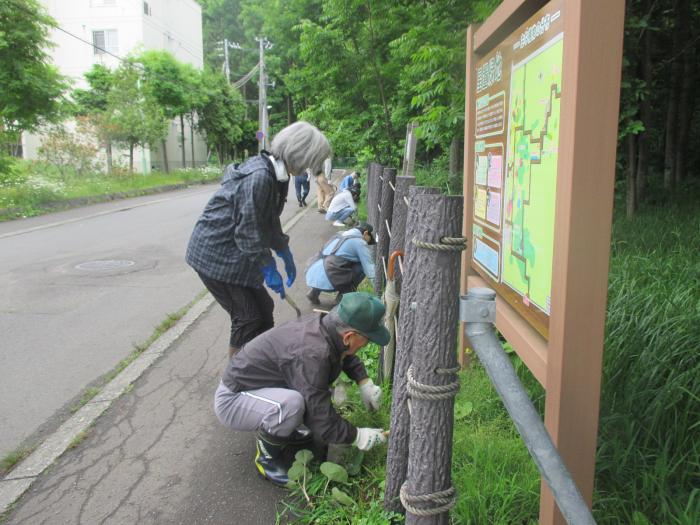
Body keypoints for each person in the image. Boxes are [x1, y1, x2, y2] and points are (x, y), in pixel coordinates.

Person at [186, 121, 331, 358]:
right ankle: (233, 385)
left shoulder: (279, 176)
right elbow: (248, 232)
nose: (309, 168)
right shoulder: (260, 176)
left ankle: (257, 365)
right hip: (215, 254)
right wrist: (268, 266)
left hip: (236, 253)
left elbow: (268, 219)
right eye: (310, 160)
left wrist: (283, 250)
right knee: (248, 317)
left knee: (264, 309)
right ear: (299, 153)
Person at [213, 292, 389, 485]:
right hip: (234, 400)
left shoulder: (327, 326)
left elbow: (344, 354)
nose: (368, 344)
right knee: (291, 405)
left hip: (259, 388)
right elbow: (321, 417)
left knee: (302, 399)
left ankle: (285, 429)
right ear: (349, 336)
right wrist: (358, 436)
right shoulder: (312, 353)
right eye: (368, 339)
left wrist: (364, 382)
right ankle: (266, 459)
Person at [305, 222, 376, 305]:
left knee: (330, 261)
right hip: (330, 280)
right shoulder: (359, 242)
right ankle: (342, 298)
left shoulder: (339, 235)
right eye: (369, 238)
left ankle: (313, 293)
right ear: (366, 233)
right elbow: (369, 269)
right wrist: (378, 288)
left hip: (312, 276)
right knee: (361, 267)